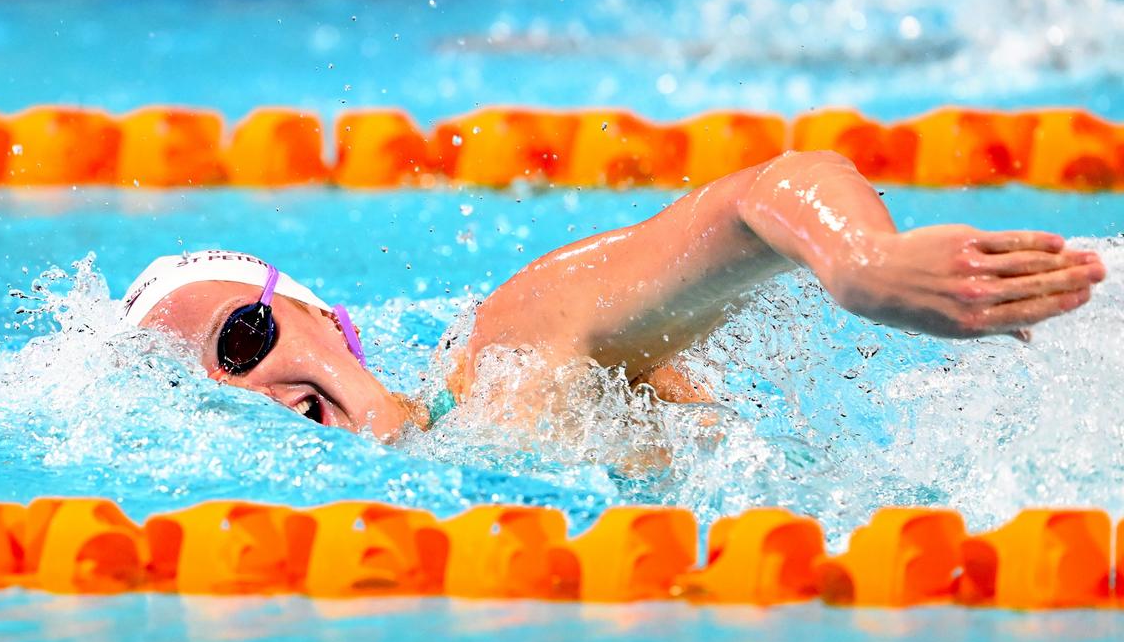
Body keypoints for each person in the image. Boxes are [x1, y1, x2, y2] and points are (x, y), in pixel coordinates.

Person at [121, 150, 1107, 441]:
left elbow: (763, 193)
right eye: (192, 393)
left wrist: (862, 265)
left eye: (239, 338)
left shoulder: (507, 358)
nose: (232, 388)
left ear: (329, 323)